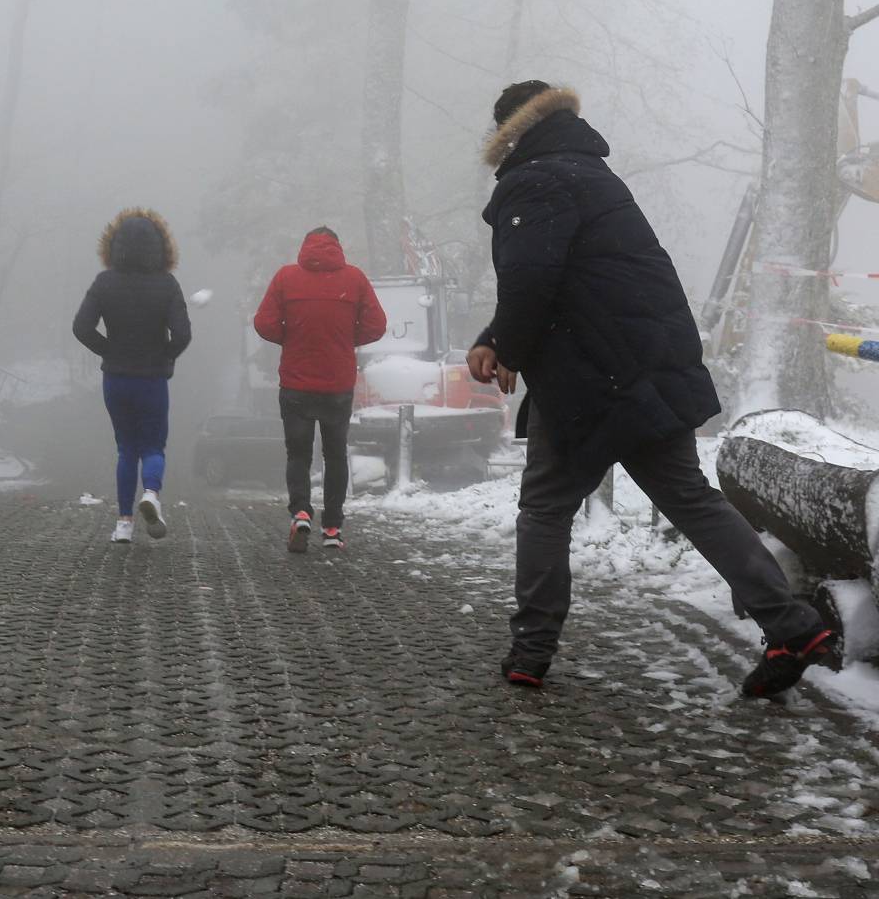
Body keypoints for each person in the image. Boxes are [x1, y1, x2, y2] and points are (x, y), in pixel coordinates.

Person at [469, 80, 831, 694]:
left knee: (545, 509)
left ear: (511, 132)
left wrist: (507, 347)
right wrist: (500, 336)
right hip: (650, 364)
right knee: (691, 498)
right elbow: (581, 277)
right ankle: (791, 623)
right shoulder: (594, 177)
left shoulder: (533, 181)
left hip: (592, 377)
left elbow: (532, 279)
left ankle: (531, 650)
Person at [253, 227, 386, 552]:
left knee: (298, 453)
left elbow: (263, 322)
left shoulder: (286, 278)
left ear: (306, 246)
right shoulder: (354, 279)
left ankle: (300, 512)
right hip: (337, 385)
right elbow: (377, 325)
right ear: (338, 247)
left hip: (296, 383)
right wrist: (343, 339)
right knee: (335, 455)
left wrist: (291, 336)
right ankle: (332, 529)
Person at [73, 208, 192, 543]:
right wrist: (165, 356)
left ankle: (123, 524)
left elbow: (81, 327)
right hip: (152, 379)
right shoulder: (166, 284)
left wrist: (108, 350)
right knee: (153, 446)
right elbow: (182, 334)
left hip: (117, 379)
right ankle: (151, 494)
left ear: (115, 244)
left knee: (126, 449)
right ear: (160, 247)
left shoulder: (104, 282)